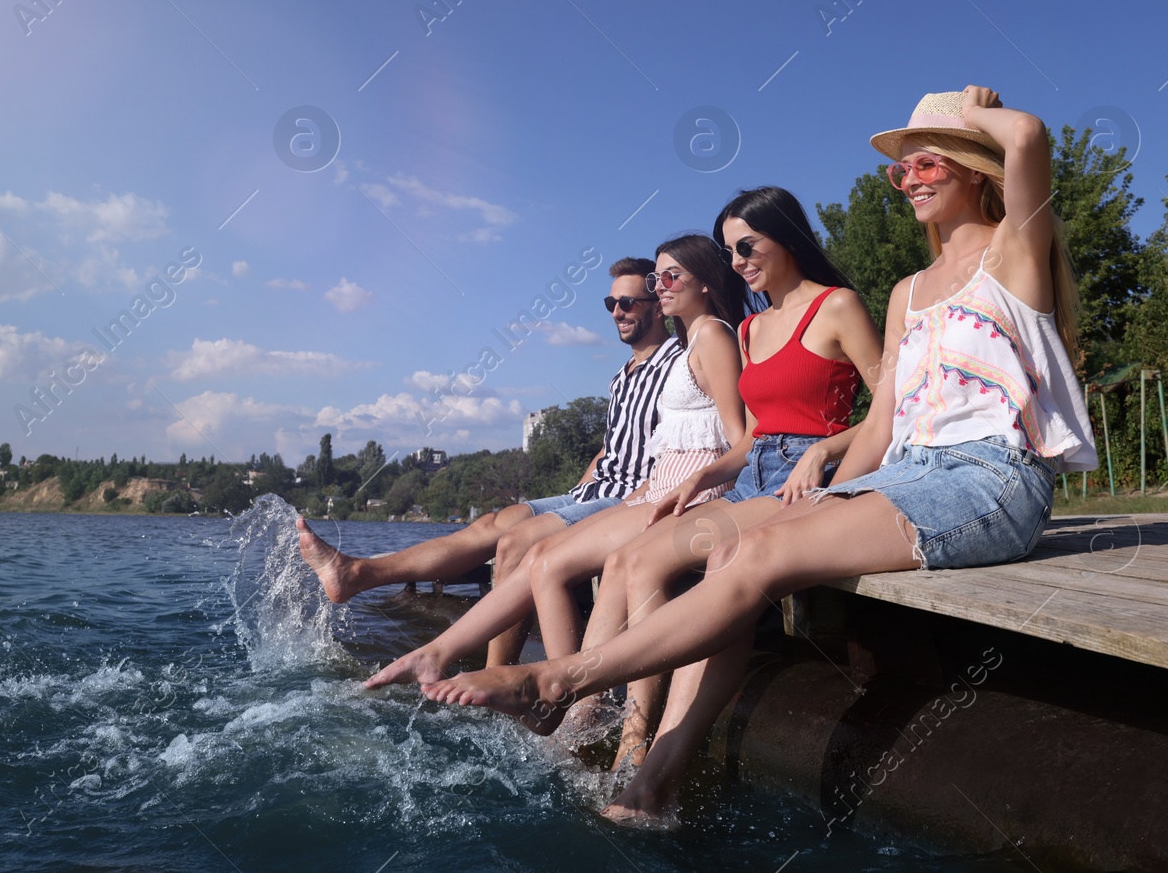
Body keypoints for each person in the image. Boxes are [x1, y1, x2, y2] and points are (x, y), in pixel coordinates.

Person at [421, 86, 1098, 826]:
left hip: (993, 476)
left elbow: (1028, 136)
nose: (910, 182)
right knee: (730, 545)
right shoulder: (907, 291)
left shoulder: (1014, 254)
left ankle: (562, 681)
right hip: (906, 472)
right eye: (900, 172)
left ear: (973, 166)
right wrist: (833, 471)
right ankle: (653, 782)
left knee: (759, 558)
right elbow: (883, 422)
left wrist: (968, 112)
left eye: (926, 163)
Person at [369, 190, 880, 771]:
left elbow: (888, 406)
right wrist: (707, 475)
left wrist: (825, 458)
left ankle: (617, 729)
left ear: (783, 236)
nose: (738, 260)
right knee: (593, 559)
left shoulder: (818, 310)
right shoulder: (749, 329)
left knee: (582, 559)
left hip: (791, 477)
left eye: (746, 246)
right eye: (730, 250)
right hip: (736, 478)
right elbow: (752, 437)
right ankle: (528, 690)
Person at [364, 234, 747, 707]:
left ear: (701, 284)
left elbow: (739, 433)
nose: (618, 310)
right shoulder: (634, 370)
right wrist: (591, 490)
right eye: (612, 302)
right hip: (633, 489)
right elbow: (630, 446)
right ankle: (380, 589)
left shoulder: (694, 345)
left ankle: (533, 687)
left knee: (526, 548)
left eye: (638, 295)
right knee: (501, 528)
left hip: (670, 492)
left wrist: (695, 483)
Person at [298, 258, 682, 665]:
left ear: (657, 305)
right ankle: (357, 573)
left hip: (630, 499)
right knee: (493, 524)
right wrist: (575, 496)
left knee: (516, 540)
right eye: (611, 304)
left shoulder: (678, 362)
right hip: (595, 491)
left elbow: (684, 447)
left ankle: (497, 673)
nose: (617, 312)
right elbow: (610, 449)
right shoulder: (623, 375)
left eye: (628, 303)